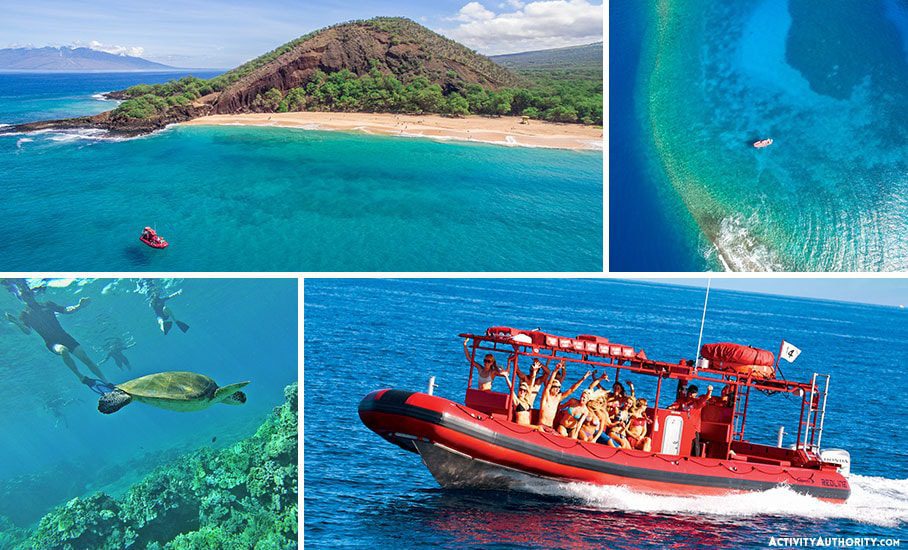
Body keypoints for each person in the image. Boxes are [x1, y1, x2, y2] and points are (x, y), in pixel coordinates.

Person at [4, 280, 110, 391]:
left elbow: (65, 310)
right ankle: (81, 377)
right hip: (52, 343)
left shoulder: (47, 304)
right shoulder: (24, 314)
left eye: (28, 293)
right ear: (22, 298)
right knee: (63, 350)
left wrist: (79, 306)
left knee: (85, 358)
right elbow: (27, 331)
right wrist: (16, 322)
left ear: (32, 293)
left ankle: (107, 382)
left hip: (65, 337)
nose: (27, 296)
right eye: (24, 295)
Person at [538, 361, 592, 430]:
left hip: (550, 427)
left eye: (559, 387)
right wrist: (555, 370)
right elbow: (549, 384)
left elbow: (571, 390)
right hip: (541, 426)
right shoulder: (546, 396)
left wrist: (583, 379)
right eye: (556, 387)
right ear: (551, 387)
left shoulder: (558, 398)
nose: (558, 389)